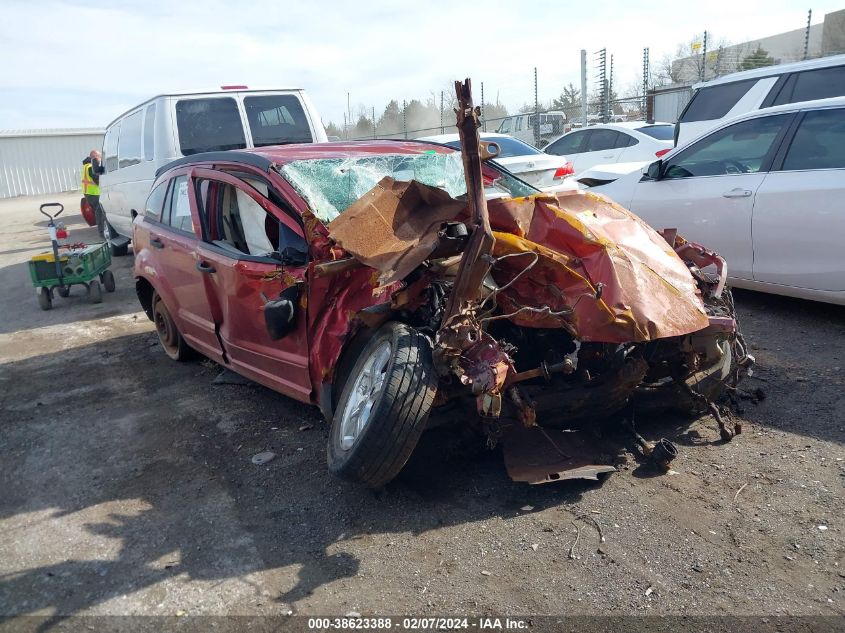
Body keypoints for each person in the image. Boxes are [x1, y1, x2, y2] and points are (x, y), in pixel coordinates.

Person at [81, 150, 106, 237]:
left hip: (89, 193)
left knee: (98, 212)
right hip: (94, 193)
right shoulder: (91, 167)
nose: (100, 159)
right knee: (100, 213)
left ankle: (102, 231)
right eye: (99, 157)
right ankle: (102, 232)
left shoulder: (86, 166)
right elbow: (98, 180)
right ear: (95, 157)